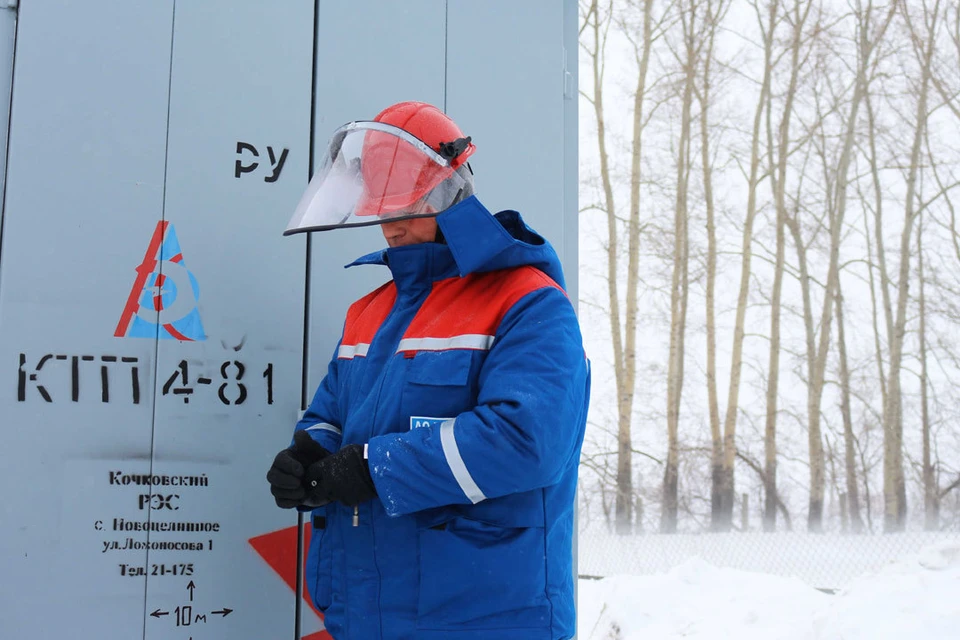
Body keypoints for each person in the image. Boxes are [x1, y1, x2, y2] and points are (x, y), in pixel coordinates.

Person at [266, 101, 590, 640]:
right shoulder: (370, 311)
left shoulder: (528, 304)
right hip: (367, 615)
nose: (390, 225)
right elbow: (331, 414)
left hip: (483, 620)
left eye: (405, 204)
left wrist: (375, 468)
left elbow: (527, 442)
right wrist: (309, 456)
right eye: (379, 206)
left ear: (449, 194)